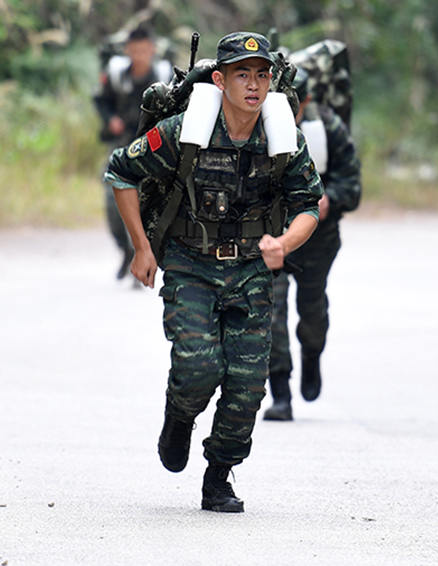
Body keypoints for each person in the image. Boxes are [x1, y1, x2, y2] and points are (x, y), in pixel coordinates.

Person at [104, 32, 323, 513]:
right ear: (220, 80)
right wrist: (142, 248)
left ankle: (219, 475)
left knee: (247, 387)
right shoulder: (188, 130)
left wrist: (284, 242)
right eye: (242, 74)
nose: (253, 85)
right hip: (190, 264)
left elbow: (310, 203)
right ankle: (180, 415)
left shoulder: (283, 138)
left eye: (262, 75)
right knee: (198, 369)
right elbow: (121, 171)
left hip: (250, 270)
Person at [264, 68, 362, 421]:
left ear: (305, 102)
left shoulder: (329, 129)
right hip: (272, 235)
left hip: (318, 240)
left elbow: (353, 186)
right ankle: (280, 391)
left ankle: (311, 354)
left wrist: (329, 200)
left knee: (312, 307)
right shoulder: (258, 123)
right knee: (271, 310)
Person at [94, 26, 172, 281]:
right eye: (135, 50)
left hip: (151, 153)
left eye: (144, 50)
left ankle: (143, 252)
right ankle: (125, 250)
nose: (140, 55)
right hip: (120, 147)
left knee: (146, 205)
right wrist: (110, 119)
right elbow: (101, 100)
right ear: (128, 51)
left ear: (152, 50)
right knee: (112, 204)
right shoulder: (117, 75)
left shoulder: (164, 76)